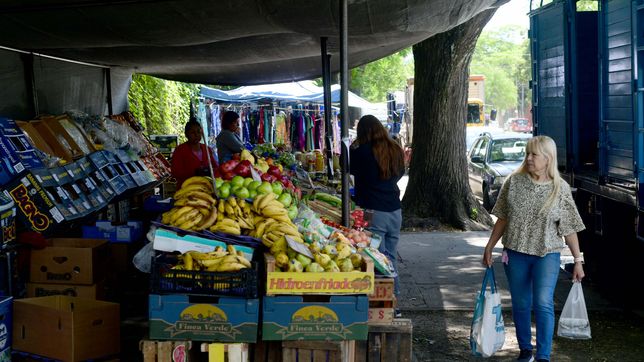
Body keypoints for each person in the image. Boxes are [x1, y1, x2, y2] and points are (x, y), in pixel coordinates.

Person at [481, 135, 585, 362]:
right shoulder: (513, 182)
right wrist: (489, 246)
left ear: (548, 159)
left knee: (543, 302)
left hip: (546, 255)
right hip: (515, 253)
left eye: (534, 154)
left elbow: (569, 229)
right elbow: (503, 218)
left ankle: (544, 355)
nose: (528, 158)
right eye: (527, 153)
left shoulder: (560, 188)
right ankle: (525, 350)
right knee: (520, 304)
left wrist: (578, 260)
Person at [350, 115, 405, 315]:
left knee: (376, 258)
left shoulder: (362, 152)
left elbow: (348, 167)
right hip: (394, 210)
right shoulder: (395, 149)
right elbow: (400, 174)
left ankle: (385, 303)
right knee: (390, 256)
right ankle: (393, 302)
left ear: (362, 132)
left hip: (372, 211)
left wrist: (353, 146)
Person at [170, 119, 218, 188]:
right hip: (187, 189)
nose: (196, 135)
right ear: (186, 134)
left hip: (206, 187)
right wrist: (194, 173)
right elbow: (175, 173)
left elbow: (215, 167)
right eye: (192, 132)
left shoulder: (207, 149)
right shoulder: (179, 150)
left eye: (198, 132)